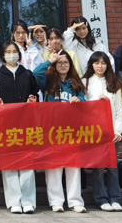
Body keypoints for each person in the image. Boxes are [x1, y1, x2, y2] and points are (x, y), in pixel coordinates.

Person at [34, 51, 88, 213]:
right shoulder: (48, 81)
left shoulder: (76, 82)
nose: (63, 65)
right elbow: (36, 73)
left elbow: (84, 101)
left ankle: (75, 201)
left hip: (72, 130)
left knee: (73, 166)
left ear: (70, 65)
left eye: (65, 62)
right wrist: (49, 61)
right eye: (59, 63)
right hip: (52, 130)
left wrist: (79, 100)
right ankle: (56, 201)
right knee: (54, 166)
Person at [0, 42, 40, 214]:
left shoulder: (27, 74)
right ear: (3, 56)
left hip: (26, 124)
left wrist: (33, 101)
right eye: (8, 52)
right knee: (9, 163)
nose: (12, 54)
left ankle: (28, 201)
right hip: (6, 125)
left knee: (27, 162)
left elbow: (35, 95)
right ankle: (14, 201)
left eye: (14, 51)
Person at [82, 52, 122, 212]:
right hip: (94, 132)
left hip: (112, 131)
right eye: (96, 63)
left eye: (103, 63)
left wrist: (118, 130)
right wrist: (97, 102)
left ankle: (115, 198)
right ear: (91, 65)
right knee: (98, 167)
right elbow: (82, 107)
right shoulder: (85, 82)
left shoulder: (114, 82)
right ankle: (101, 199)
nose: (100, 66)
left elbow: (119, 109)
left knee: (113, 166)